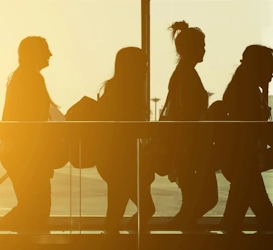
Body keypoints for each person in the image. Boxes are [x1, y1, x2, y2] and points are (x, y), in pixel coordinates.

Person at [163, 21, 218, 232]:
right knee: (207, 197)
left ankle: (183, 229)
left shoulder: (183, 73)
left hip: (185, 147)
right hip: (190, 147)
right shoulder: (187, 75)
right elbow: (186, 115)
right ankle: (180, 229)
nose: (204, 50)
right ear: (189, 49)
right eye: (201, 45)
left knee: (194, 199)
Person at [0, 36, 55, 233]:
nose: (50, 54)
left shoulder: (19, 77)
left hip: (14, 151)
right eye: (46, 49)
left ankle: (4, 235)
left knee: (30, 205)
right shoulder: (33, 78)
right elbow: (36, 123)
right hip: (27, 153)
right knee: (37, 208)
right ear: (35, 53)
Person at [96, 47, 154, 234]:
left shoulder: (115, 90)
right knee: (134, 210)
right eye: (143, 64)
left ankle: (118, 241)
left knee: (117, 212)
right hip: (121, 162)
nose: (146, 68)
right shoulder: (126, 94)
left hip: (116, 161)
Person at [217, 45, 273, 234]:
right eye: (270, 66)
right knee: (266, 218)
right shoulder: (247, 93)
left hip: (240, 163)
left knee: (233, 219)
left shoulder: (244, 88)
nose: (272, 72)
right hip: (243, 163)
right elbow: (255, 130)